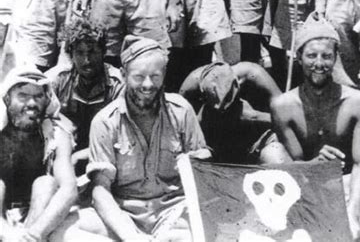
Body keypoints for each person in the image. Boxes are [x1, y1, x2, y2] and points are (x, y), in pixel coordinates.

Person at [271, 14, 360, 240]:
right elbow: (293, 168)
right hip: (307, 189)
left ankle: (344, 226)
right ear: (298, 57)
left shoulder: (355, 101)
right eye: (311, 56)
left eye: (327, 56)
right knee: (272, 153)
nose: (319, 64)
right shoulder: (283, 106)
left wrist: (354, 212)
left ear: (336, 58)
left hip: (351, 187)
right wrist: (314, 165)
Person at [68, 36, 210, 241]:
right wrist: (130, 237)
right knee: (67, 228)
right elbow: (100, 191)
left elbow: (201, 176)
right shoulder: (105, 121)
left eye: (155, 76)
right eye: (138, 77)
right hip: (123, 214)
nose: (147, 85)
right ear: (124, 75)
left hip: (174, 213)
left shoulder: (182, 111)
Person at [0, 68, 78, 242]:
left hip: (37, 217)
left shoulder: (56, 134)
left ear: (47, 99)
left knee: (46, 183)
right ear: (7, 99)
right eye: (23, 96)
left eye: (38, 96)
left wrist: (35, 234)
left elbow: (69, 188)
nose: (32, 103)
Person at [46, 17, 124, 172]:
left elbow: (123, 135)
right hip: (64, 151)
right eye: (80, 53)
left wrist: (79, 156)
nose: (87, 60)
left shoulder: (117, 84)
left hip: (104, 153)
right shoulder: (57, 79)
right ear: (71, 54)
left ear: (103, 52)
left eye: (93, 52)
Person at [179, 60, 284, 164]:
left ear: (238, 83)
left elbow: (285, 116)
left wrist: (256, 116)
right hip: (215, 149)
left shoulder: (254, 74)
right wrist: (199, 120)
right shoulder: (191, 85)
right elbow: (177, 128)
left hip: (256, 143)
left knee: (275, 154)